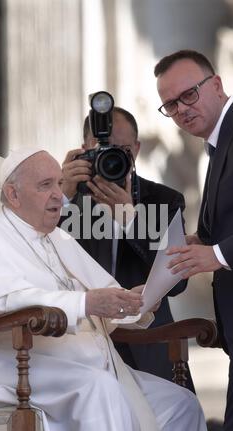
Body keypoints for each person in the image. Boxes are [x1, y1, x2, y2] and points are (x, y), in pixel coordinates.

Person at [0, 148, 208, 431]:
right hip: (18, 366)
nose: (58, 195)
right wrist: (85, 304)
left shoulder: (58, 237)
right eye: (46, 185)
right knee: (100, 390)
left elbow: (101, 294)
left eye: (59, 183)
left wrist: (132, 302)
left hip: (93, 366)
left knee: (180, 403)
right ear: (13, 195)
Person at [154, 49, 233, 431]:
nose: (181, 109)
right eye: (170, 104)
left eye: (189, 95)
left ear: (216, 85)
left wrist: (215, 255)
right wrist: (199, 243)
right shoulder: (219, 144)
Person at [59, 107, 195, 391]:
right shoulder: (66, 199)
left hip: (148, 340)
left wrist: (132, 221)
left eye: (121, 149)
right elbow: (37, 249)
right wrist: (62, 195)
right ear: (84, 149)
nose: (113, 157)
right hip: (80, 341)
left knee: (169, 423)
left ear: (136, 148)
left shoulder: (164, 200)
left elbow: (178, 282)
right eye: (102, 148)